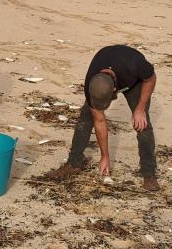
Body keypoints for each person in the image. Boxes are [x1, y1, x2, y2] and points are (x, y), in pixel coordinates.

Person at [47, 44, 159, 191]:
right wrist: (104, 156)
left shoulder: (135, 64)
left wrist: (139, 109)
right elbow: (99, 120)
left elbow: (151, 79)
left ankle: (149, 173)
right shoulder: (90, 84)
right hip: (106, 79)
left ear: (114, 90)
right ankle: (74, 163)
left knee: (143, 124)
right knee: (85, 119)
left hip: (135, 81)